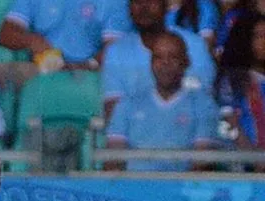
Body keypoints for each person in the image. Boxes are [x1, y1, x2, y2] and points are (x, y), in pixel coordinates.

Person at [105, 32, 219, 171]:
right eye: (158, 57)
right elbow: (113, 161)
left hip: (181, 189)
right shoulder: (127, 104)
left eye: (173, 57)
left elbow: (201, 165)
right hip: (133, 188)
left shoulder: (203, 105)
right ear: (151, 63)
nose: (165, 63)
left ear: (186, 61)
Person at [102, 0, 216, 120]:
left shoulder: (194, 45)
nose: (144, 7)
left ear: (166, 5)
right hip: (136, 135)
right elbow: (114, 112)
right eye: (137, 2)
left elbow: (203, 104)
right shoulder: (116, 51)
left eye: (152, 1)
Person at [0, 0, 129, 76]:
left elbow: (114, 48)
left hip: (90, 73)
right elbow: (5, 34)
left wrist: (87, 65)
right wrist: (30, 40)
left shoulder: (115, 2)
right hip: (41, 69)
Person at [217, 13, 265, 153]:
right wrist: (255, 160)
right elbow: (229, 123)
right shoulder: (231, 82)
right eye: (259, 36)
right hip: (244, 166)